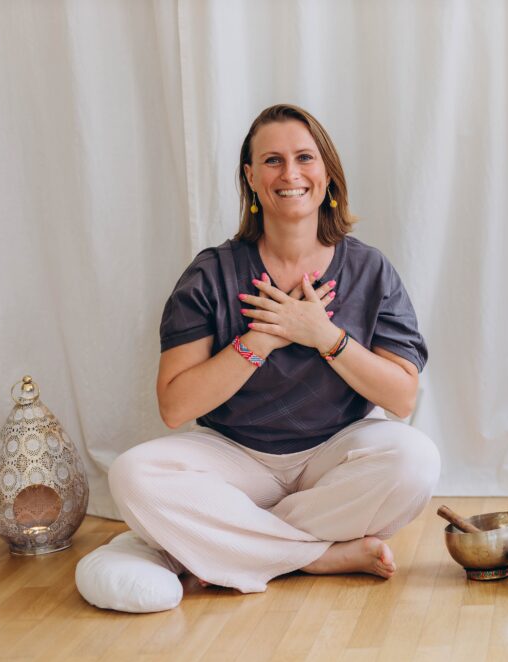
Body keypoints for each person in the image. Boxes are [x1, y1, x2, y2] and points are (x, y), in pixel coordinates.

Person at [75, 104, 439, 613]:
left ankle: (226, 543)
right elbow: (175, 407)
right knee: (132, 475)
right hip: (235, 455)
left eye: (304, 158)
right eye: (272, 161)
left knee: (416, 460)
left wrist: (323, 335)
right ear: (250, 177)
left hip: (334, 451)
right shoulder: (211, 273)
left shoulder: (370, 270)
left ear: (328, 174)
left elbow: (401, 397)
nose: (289, 174)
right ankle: (316, 556)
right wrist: (260, 340)